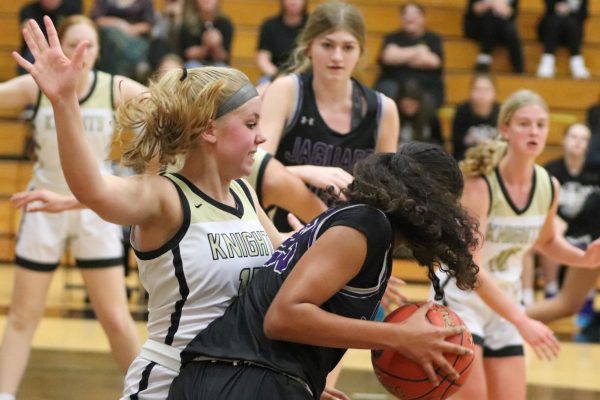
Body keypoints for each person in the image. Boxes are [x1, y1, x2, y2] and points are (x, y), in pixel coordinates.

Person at [12, 15, 343, 399]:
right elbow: (94, 189)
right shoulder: (165, 197)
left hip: (241, 385)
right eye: (251, 123)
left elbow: (280, 274)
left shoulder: (244, 194)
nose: (262, 136)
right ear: (209, 129)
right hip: (171, 385)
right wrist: (65, 102)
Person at [168, 142, 480, 400]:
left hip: (242, 377)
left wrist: (306, 383)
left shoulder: (364, 225)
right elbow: (283, 317)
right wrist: (398, 337)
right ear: (429, 199)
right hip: (244, 378)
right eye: (448, 208)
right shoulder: (368, 226)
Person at [0, 15, 145, 400]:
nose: (81, 53)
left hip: (96, 208)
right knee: (22, 317)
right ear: (57, 46)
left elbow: (165, 105)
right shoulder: (36, 87)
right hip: (42, 206)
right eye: (73, 44)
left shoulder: (112, 87)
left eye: (90, 45)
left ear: (99, 51)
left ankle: (147, 394)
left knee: (115, 318)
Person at [437, 90, 600, 400]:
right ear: (505, 129)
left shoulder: (547, 185)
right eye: (525, 123)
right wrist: (522, 319)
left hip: (505, 302)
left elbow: (548, 242)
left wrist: (585, 259)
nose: (534, 131)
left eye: (541, 124)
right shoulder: (480, 184)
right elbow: (471, 268)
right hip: (462, 300)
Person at [260, 1, 399, 230]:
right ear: (308, 47)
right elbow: (254, 169)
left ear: (361, 52)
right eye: (327, 45)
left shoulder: (384, 110)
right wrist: (306, 172)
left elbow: (387, 196)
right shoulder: (286, 91)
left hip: (348, 238)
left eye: (348, 47)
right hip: (283, 233)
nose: (337, 56)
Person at [525, 123, 600, 340]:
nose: (578, 143)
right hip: (584, 241)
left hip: (588, 238)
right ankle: (501, 318)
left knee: (568, 304)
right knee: (567, 303)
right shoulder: (552, 172)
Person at [374, 2, 444, 109]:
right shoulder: (391, 37)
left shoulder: (433, 39)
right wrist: (418, 51)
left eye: (415, 14)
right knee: (386, 92)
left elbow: (433, 62)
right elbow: (387, 58)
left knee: (428, 97)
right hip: (394, 84)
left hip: (425, 86)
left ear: (423, 18)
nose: (410, 17)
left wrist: (399, 55)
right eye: (406, 14)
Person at [91, 0, 155, 80]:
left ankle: (116, 78)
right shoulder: (104, 2)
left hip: (135, 39)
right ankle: (136, 62)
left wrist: (131, 29)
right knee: (111, 35)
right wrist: (118, 24)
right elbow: (96, 19)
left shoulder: (144, 2)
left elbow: (148, 24)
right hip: (109, 40)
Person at [17, 0, 82, 75]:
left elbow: (76, 31)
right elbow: (30, 34)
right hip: (39, 49)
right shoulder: (28, 10)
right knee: (32, 54)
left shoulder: (72, 7)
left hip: (63, 46)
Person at [464, 0, 525, 73]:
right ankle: (519, 67)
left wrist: (503, 9)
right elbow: (472, 10)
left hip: (502, 29)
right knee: (492, 17)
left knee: (509, 28)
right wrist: (490, 4)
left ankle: (484, 57)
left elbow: (512, 15)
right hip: (478, 27)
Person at [256, 0, 308, 84]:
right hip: (275, 74)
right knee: (262, 84)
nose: (293, 2)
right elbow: (263, 59)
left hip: (305, 75)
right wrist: (278, 75)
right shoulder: (269, 25)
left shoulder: (312, 25)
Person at [451, 73, 500, 160]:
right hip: (466, 160)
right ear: (470, 92)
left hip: (494, 160)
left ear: (494, 93)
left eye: (486, 90)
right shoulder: (462, 110)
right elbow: (457, 143)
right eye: (478, 89)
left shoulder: (501, 112)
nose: (482, 93)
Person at [536, 0, 590, 79]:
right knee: (556, 21)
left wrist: (569, 11)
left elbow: (584, 14)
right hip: (551, 29)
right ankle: (547, 60)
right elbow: (548, 10)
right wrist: (558, 9)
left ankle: (577, 62)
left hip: (572, 32)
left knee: (571, 23)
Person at [180, 0, 233, 67]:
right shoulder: (187, 24)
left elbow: (224, 57)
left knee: (223, 67)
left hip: (217, 64)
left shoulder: (225, 24)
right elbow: (186, 54)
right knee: (191, 65)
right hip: (194, 64)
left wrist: (217, 46)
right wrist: (205, 47)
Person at [395, 79, 443, 147]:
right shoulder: (393, 117)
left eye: (412, 105)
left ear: (420, 103)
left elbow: (438, 142)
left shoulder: (430, 117)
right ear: (399, 103)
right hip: (398, 154)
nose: (409, 108)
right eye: (406, 105)